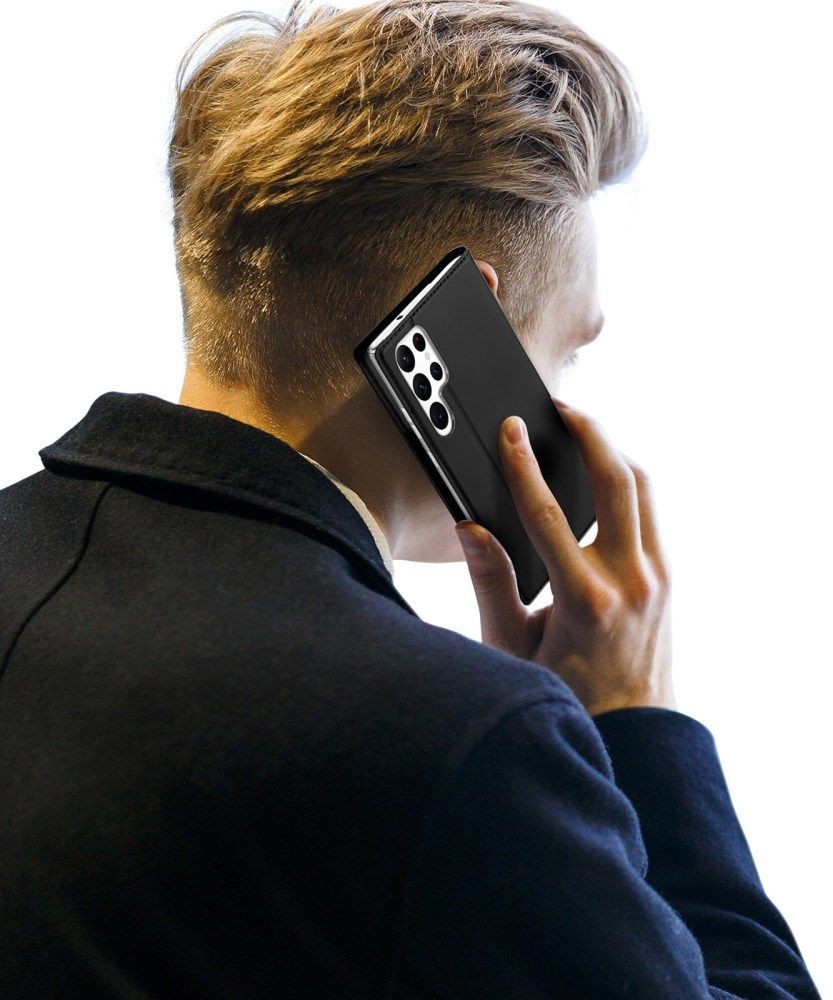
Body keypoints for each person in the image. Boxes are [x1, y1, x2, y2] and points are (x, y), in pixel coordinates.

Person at [0, 1, 820, 997]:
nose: (565, 406)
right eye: (566, 353)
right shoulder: (462, 740)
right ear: (460, 333)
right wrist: (635, 722)